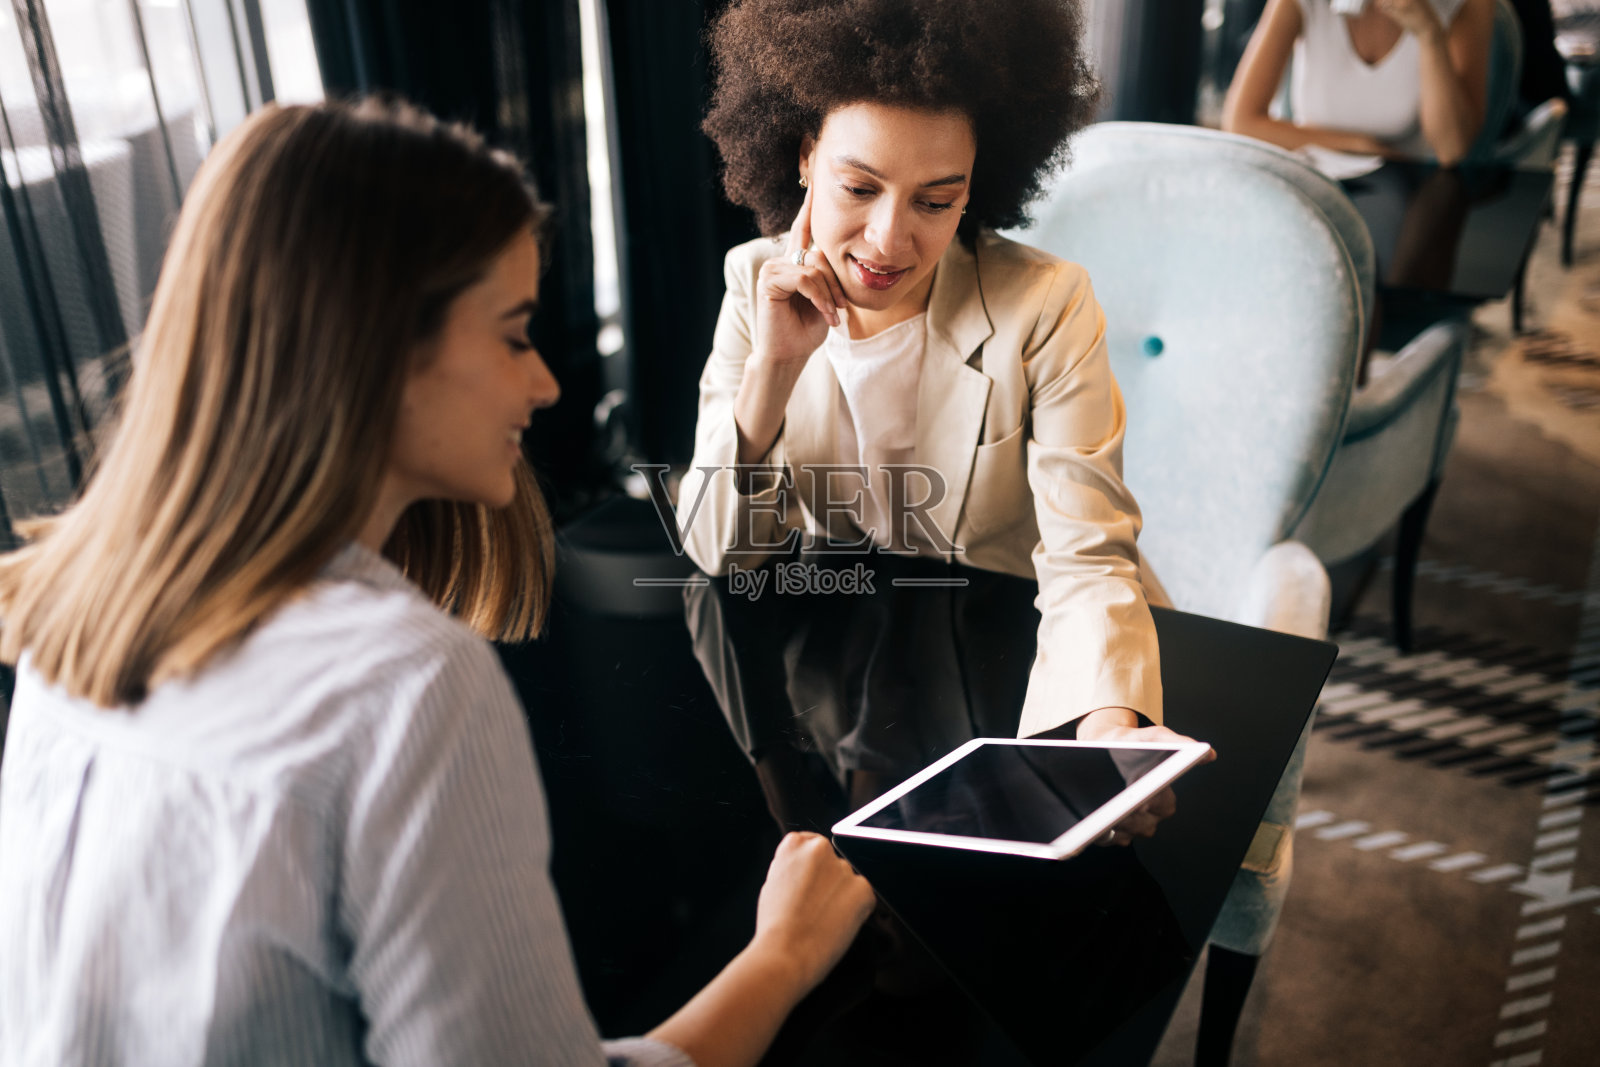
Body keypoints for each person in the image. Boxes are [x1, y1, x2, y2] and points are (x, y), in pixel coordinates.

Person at [0, 99, 875, 1067]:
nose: (544, 383)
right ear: (372, 358)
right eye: (510, 334)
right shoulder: (407, 689)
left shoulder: (69, 618)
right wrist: (784, 952)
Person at [678, 0, 1211, 813]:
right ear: (802, 156)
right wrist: (775, 369)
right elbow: (716, 549)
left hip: (991, 613)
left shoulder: (1046, 303)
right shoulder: (754, 280)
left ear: (977, 188)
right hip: (840, 609)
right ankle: (798, 825)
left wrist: (1112, 723)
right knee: (710, 585)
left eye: (935, 200)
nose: (888, 240)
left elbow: (1086, 551)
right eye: (858, 187)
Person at [1222, 0, 1494, 166]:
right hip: (1315, 185)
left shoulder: (1468, 5)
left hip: (1409, 201)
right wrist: (1359, 145)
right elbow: (1240, 122)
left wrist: (1429, 34)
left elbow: (1452, 149)